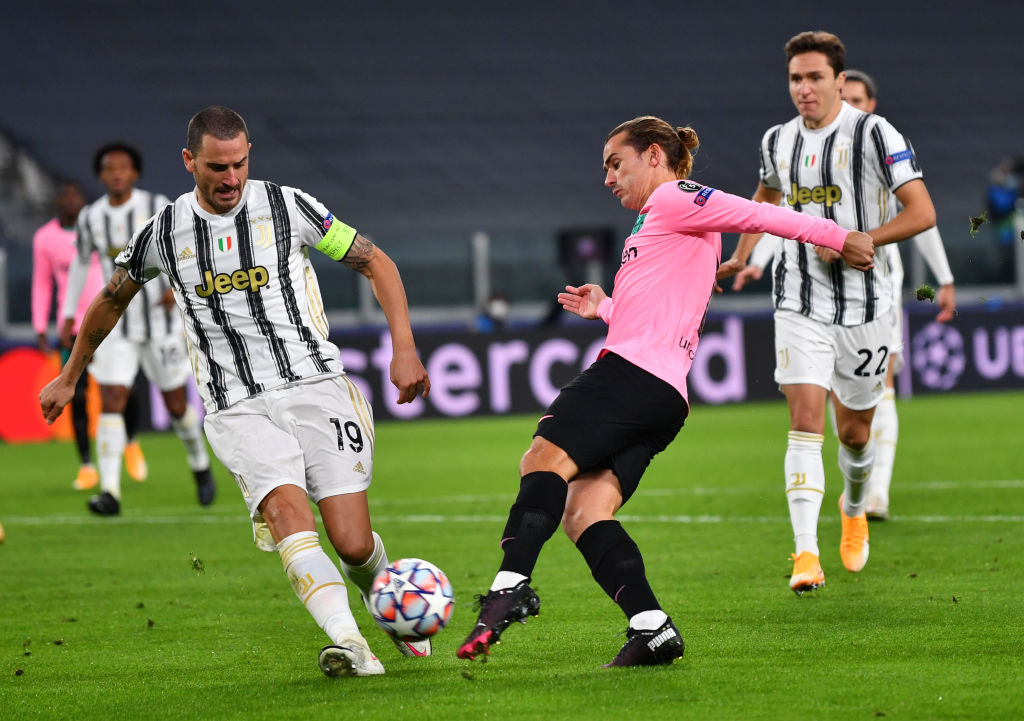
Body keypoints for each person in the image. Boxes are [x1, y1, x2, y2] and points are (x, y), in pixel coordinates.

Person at [456, 115, 875, 667]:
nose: (608, 178)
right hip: (663, 396)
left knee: (542, 458)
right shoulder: (660, 219)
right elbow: (655, 315)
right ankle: (651, 628)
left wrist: (839, 237)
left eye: (616, 164)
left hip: (630, 376)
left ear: (654, 155)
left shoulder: (677, 197)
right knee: (584, 510)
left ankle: (509, 586)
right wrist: (605, 307)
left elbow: (759, 212)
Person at [41, 106, 433, 678]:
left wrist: (405, 348)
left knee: (351, 542)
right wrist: (71, 374)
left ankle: (386, 602)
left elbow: (375, 262)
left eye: (240, 164)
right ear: (189, 161)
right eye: (217, 167)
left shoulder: (288, 206)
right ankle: (352, 645)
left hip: (316, 385)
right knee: (286, 513)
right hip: (237, 405)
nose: (231, 178)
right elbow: (111, 297)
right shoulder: (164, 231)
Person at [718, 32, 937, 594]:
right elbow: (765, 197)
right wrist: (743, 255)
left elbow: (923, 212)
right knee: (805, 422)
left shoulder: (875, 133)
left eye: (815, 77)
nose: (804, 88)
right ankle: (806, 553)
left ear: (840, 80)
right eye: (796, 78)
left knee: (856, 434)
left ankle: (854, 506)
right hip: (799, 298)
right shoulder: (777, 140)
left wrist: (861, 238)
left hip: (867, 306)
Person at [61, 141, 214, 515]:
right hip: (117, 328)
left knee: (176, 405)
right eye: (109, 168)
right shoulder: (90, 217)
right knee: (112, 398)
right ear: (101, 175)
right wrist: (68, 314)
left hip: (160, 325)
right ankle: (110, 492)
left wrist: (177, 288)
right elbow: (80, 264)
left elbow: (185, 248)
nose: (116, 173)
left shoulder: (157, 207)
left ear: (135, 173)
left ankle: (199, 463)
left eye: (123, 167)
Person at [32, 180, 103, 489]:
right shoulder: (44, 238)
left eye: (76, 195)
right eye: (65, 196)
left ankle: (128, 441)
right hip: (72, 329)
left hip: (109, 322)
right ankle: (87, 465)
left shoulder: (100, 227)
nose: (71, 201)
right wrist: (40, 325)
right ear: (57, 202)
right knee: (77, 393)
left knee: (120, 390)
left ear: (83, 200)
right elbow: (42, 283)